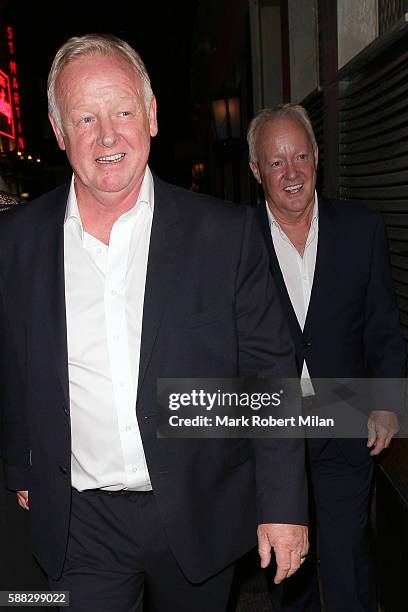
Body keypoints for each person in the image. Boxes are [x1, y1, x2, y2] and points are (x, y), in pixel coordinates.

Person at [0, 35, 309, 612]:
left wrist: (285, 504)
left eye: (122, 110)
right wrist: (21, 460)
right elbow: (13, 361)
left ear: (152, 115)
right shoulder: (16, 243)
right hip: (79, 523)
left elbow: (271, 378)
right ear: (60, 131)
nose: (108, 135)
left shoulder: (226, 235)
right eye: (85, 118)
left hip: (196, 511)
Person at [247, 104, 406, 612]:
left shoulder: (361, 230)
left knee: (347, 557)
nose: (290, 172)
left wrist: (385, 400)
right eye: (275, 162)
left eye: (300, 156)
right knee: (286, 569)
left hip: (346, 420)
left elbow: (383, 324)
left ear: (318, 156)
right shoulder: (234, 242)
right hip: (272, 433)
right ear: (256, 169)